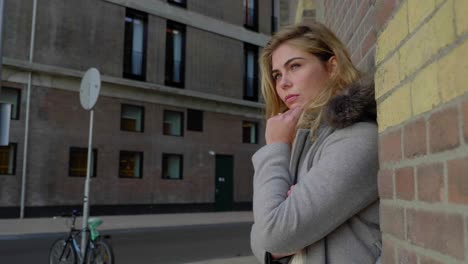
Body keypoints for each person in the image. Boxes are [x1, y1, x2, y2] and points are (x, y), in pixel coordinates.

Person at [250, 21, 381, 264]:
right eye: (277, 74)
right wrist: (273, 237)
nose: (283, 83)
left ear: (332, 67)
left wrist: (275, 148)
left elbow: (271, 236)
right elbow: (261, 240)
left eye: (295, 66)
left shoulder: (358, 139)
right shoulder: (305, 142)